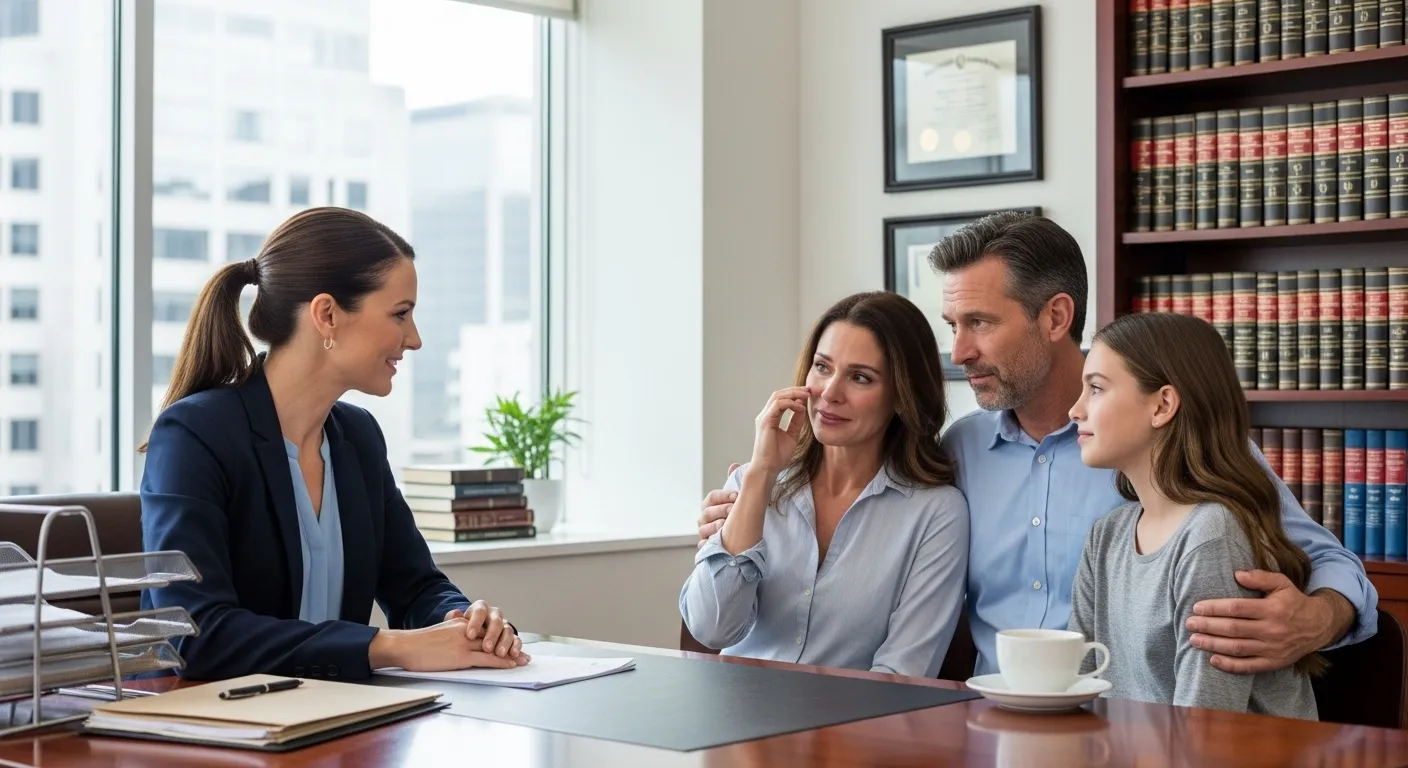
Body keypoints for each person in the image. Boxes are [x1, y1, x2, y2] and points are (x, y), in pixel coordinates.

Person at [698, 211, 1376, 677]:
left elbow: (1330, 561)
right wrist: (744, 505)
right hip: (991, 735)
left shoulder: (1163, 441)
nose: (958, 351)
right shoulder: (953, 455)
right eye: (952, 323)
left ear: (1056, 317)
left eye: (981, 324)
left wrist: (1319, 617)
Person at [140, 207, 530, 681]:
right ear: (327, 314)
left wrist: (464, 622)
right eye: (400, 314)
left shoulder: (357, 438)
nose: (415, 338)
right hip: (209, 729)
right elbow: (197, 633)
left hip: (331, 721)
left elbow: (416, 586)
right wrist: (390, 647)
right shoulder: (195, 434)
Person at [679, 292, 969, 678]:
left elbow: (903, 673)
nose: (830, 393)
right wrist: (761, 474)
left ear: (902, 395)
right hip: (735, 716)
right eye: (822, 367)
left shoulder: (936, 513)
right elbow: (711, 628)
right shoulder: (751, 483)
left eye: (860, 377)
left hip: (856, 729)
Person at [1067, 311, 1319, 719]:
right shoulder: (1106, 535)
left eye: (1095, 388)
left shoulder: (1211, 536)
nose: (1075, 410)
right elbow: (1073, 687)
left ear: (1163, 404)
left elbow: (1204, 732)